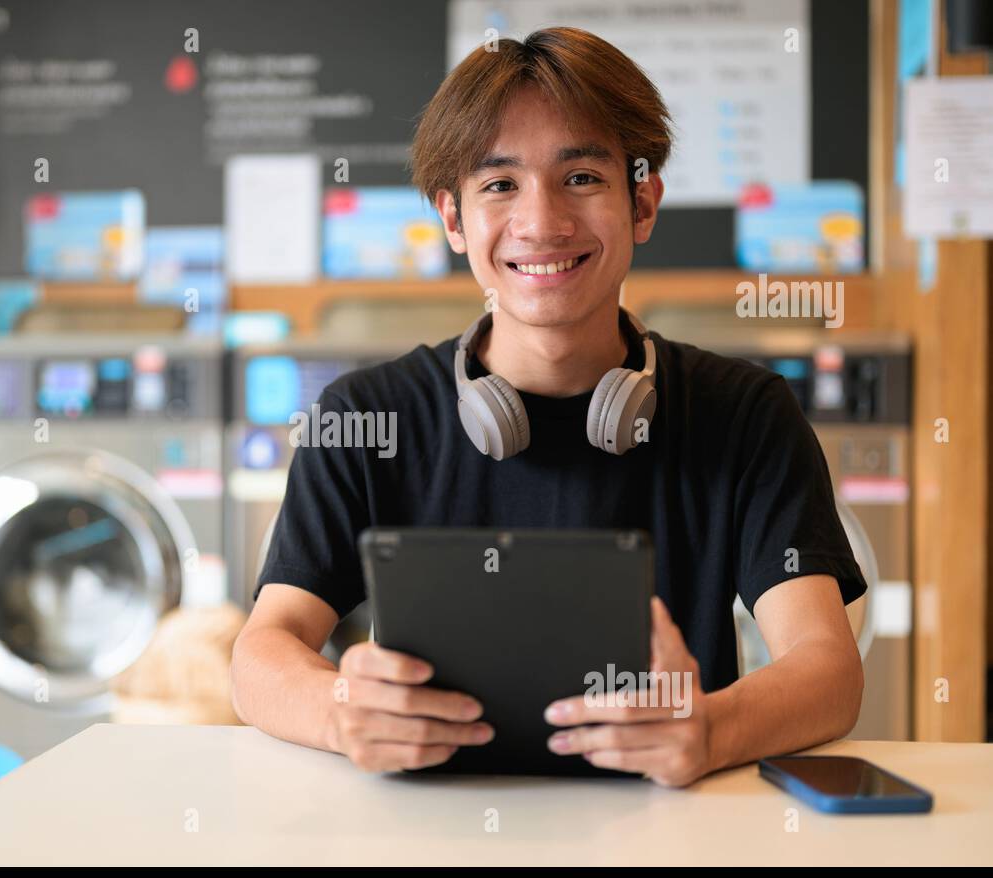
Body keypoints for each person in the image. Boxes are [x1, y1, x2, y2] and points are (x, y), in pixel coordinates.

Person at [229, 27, 866, 787]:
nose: (542, 223)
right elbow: (260, 655)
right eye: (499, 184)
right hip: (423, 837)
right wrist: (342, 709)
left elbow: (828, 668)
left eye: (583, 177)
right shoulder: (364, 416)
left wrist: (711, 729)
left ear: (643, 201)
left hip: (671, 835)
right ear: (454, 221)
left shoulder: (746, 414)